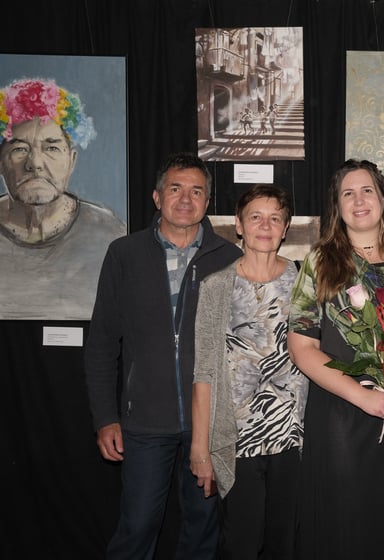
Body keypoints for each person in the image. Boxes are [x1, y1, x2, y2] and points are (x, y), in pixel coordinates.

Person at [85, 152, 242, 559]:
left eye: (196, 191)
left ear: (208, 201)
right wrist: (105, 417)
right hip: (144, 422)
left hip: (208, 423)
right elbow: (102, 342)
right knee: (137, 527)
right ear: (157, 197)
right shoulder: (124, 254)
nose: (186, 199)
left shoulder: (229, 259)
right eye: (175, 189)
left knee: (203, 530)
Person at [287, 159, 384, 559]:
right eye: (347, 193)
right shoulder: (319, 262)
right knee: (346, 523)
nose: (359, 200)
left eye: (367, 190)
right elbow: (301, 348)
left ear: (383, 199)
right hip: (343, 411)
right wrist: (363, 396)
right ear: (337, 206)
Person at [191, 184, 307, 559]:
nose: (265, 225)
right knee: (240, 544)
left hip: (294, 438)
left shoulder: (305, 282)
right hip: (237, 439)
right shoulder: (215, 287)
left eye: (275, 218)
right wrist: (200, 448)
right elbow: (204, 372)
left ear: (285, 228)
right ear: (239, 225)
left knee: (284, 545)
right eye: (255, 217)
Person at [0, 78, 125, 320]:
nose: (35, 163)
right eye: (19, 149)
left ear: (72, 161)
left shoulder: (111, 235)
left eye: (52, 148)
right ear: (1, 163)